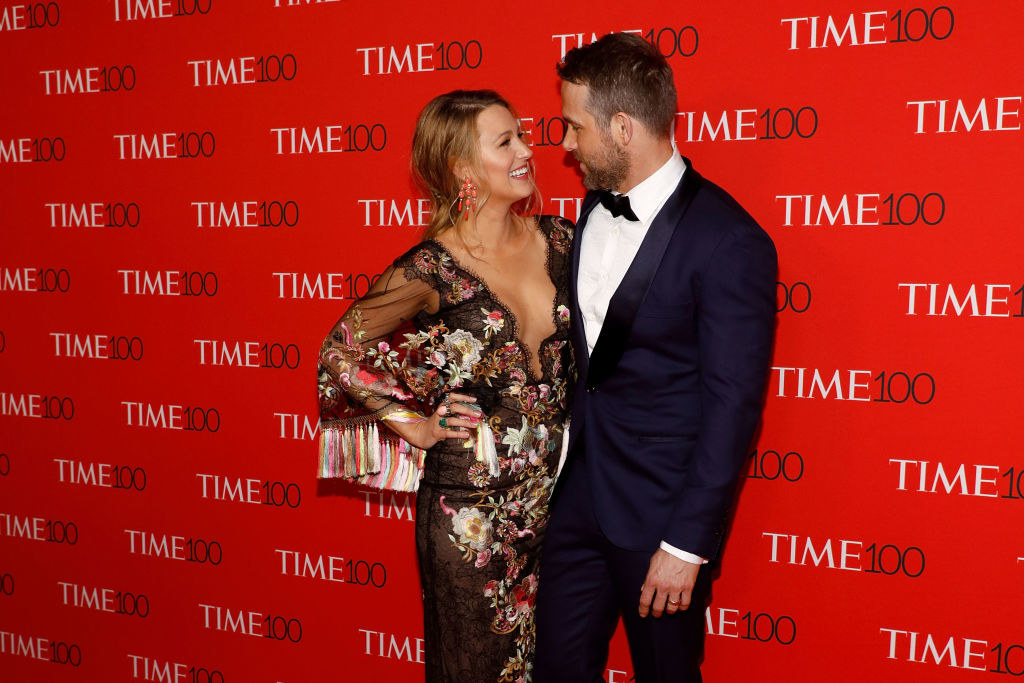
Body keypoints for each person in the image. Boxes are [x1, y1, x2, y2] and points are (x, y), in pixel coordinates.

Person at [533, 33, 778, 683]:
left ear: (621, 127)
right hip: (579, 497)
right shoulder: (593, 205)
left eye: (572, 127)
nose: (563, 145)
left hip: (662, 521)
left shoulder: (729, 240)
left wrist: (687, 544)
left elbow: (733, 406)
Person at [316, 89, 575, 683]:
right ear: (462, 166)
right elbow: (340, 348)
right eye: (505, 141)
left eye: (523, 136)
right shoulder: (431, 269)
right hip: (469, 516)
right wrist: (414, 426)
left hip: (556, 505)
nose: (527, 151)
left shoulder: (559, 239)